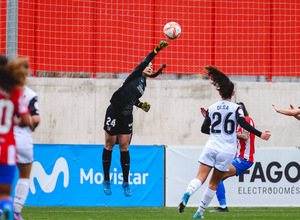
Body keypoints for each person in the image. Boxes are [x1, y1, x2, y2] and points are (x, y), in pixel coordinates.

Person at [178, 66, 271, 219]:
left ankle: (188, 193)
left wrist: (213, 125)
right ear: (233, 93)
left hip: (211, 146)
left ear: (219, 92)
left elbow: (203, 129)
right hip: (226, 150)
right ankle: (199, 212)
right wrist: (260, 134)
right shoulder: (236, 108)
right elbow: (244, 123)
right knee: (214, 182)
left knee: (200, 177)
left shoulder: (212, 108)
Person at [102, 41, 169, 197]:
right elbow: (146, 60)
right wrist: (157, 49)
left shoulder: (143, 84)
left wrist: (140, 105)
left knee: (124, 148)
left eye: (152, 67)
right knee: (109, 145)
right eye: (148, 65)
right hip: (114, 112)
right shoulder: (136, 74)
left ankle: (125, 182)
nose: (150, 67)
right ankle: (106, 180)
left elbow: (130, 98)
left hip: (127, 116)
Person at [207, 102, 256, 212]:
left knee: (217, 176)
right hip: (238, 157)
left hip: (244, 159)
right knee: (216, 178)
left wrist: (230, 133)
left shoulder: (247, 120)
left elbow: (245, 136)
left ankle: (223, 206)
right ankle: (222, 205)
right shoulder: (235, 123)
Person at [0, 54, 31, 220]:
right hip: (7, 149)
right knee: (4, 195)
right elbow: (27, 121)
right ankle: (7, 209)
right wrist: (13, 121)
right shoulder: (15, 91)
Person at [13, 85, 40, 220]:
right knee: (24, 176)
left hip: (5, 140)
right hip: (24, 141)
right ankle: (16, 212)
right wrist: (32, 127)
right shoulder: (30, 93)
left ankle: (3, 207)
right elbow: (35, 119)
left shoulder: (4, 91)